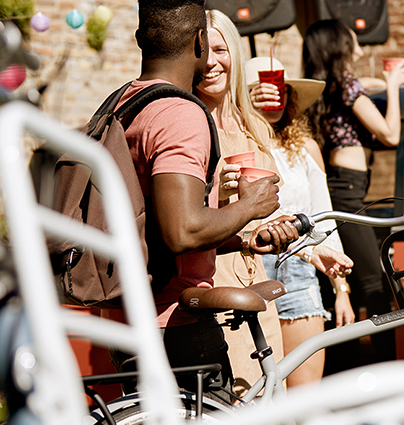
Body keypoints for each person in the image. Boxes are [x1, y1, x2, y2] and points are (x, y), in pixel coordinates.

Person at [106, 0, 301, 402]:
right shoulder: (182, 114)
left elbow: (154, 224)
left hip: (129, 316)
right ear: (199, 41)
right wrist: (250, 205)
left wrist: (243, 239)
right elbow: (182, 231)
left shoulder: (122, 102)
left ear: (141, 39)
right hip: (176, 322)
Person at [195, 10, 352, 394]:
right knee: (238, 401)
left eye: (221, 48)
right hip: (218, 277)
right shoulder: (195, 123)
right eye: (205, 50)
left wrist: (319, 259)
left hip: (279, 268)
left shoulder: (262, 136)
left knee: (283, 402)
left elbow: (305, 215)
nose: (213, 60)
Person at [246, 56, 356, 387]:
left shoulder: (305, 147)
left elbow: (324, 219)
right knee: (261, 399)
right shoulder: (238, 142)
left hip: (300, 268)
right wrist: (245, 114)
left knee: (304, 398)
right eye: (261, 90)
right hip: (251, 268)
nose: (274, 96)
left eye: (282, 90)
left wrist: (341, 289)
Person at [302, 19, 404, 368]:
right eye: (353, 41)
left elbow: (361, 89)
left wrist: (376, 83)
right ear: (339, 47)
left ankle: (344, 367)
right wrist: (392, 86)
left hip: (343, 189)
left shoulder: (328, 88)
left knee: (349, 283)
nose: (360, 48)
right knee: (375, 284)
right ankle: (387, 367)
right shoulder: (347, 85)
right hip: (348, 192)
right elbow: (390, 135)